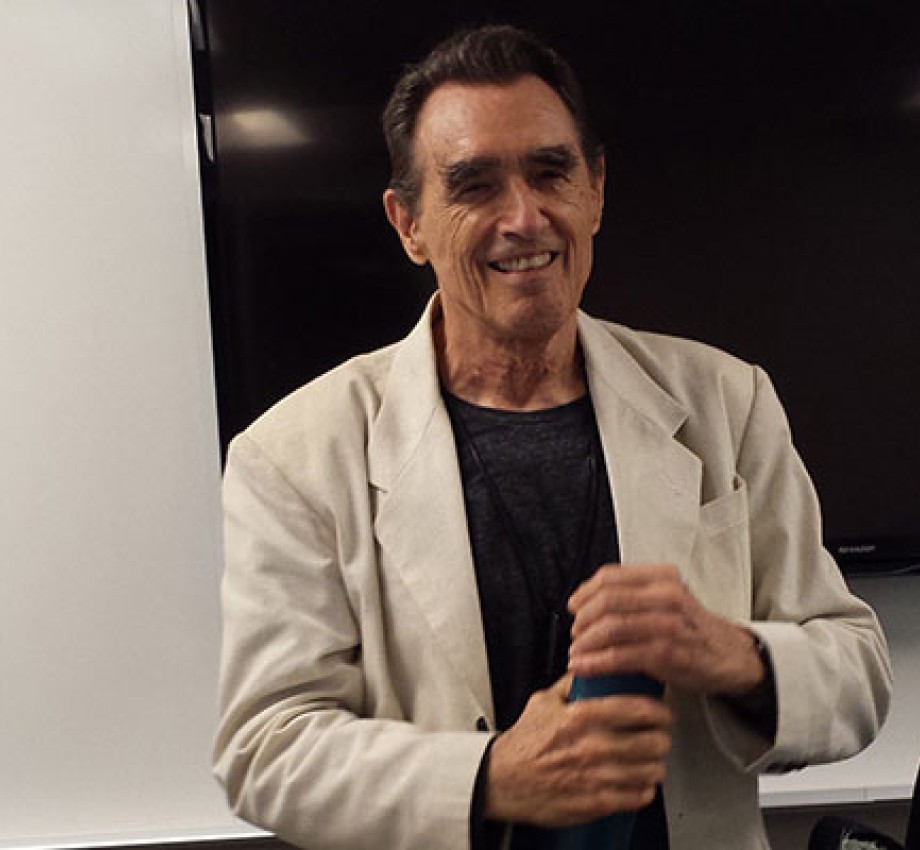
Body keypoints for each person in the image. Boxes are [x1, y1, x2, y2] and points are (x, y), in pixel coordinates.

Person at [213, 24, 892, 850]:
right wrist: (492, 776)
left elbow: (857, 676)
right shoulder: (292, 456)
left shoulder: (726, 400)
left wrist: (731, 652)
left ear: (596, 191)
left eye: (551, 172)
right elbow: (265, 749)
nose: (524, 218)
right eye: (473, 185)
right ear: (409, 224)